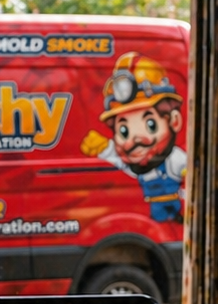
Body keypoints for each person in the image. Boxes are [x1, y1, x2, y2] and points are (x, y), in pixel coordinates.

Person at [80, 52, 187, 223]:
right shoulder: (138, 166)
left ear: (174, 121)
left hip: (176, 216)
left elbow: (191, 170)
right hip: (155, 216)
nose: (136, 139)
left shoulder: (174, 160)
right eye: (124, 131)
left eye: (150, 124)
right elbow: (122, 163)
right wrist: (105, 149)